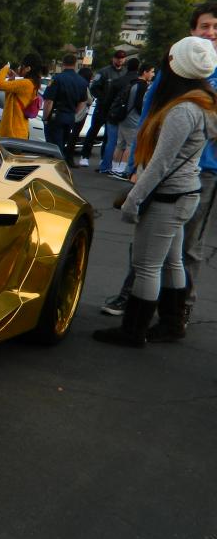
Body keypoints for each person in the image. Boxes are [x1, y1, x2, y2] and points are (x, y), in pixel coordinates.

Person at [93, 37, 217, 347]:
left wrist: (133, 201)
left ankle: (133, 330)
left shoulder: (181, 110)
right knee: (173, 261)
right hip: (187, 192)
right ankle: (172, 323)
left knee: (147, 265)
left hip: (168, 197)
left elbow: (160, 165)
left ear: (174, 67)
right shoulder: (203, 103)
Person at [78, 50, 127, 167]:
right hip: (102, 107)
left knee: (108, 136)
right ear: (113, 58)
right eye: (118, 57)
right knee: (93, 132)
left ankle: (103, 158)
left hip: (114, 108)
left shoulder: (125, 73)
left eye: (122, 58)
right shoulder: (104, 72)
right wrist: (103, 98)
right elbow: (94, 88)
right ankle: (85, 156)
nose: (120, 60)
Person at [43, 53, 89, 165]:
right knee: (63, 143)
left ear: (63, 63)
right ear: (75, 64)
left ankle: (57, 168)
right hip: (70, 116)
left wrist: (45, 117)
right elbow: (83, 102)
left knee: (53, 147)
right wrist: (74, 114)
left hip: (56, 116)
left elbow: (49, 101)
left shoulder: (57, 79)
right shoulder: (82, 82)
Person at [98, 58, 141, 175]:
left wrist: (106, 113)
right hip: (129, 118)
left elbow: (108, 100)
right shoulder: (138, 83)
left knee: (112, 142)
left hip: (114, 115)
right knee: (127, 144)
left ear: (127, 66)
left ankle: (106, 165)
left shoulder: (118, 81)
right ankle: (122, 168)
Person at [109, 64, 153, 178]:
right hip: (133, 119)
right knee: (130, 145)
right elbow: (140, 104)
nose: (153, 74)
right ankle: (122, 169)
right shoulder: (143, 86)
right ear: (145, 72)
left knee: (120, 144)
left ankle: (114, 168)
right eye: (151, 72)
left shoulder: (133, 83)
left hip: (124, 117)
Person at [0, 53, 43, 139]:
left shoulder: (26, 83)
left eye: (22, 66)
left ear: (28, 68)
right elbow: (9, 100)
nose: (19, 68)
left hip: (13, 133)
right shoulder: (31, 83)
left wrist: (5, 68)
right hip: (17, 131)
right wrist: (11, 80)